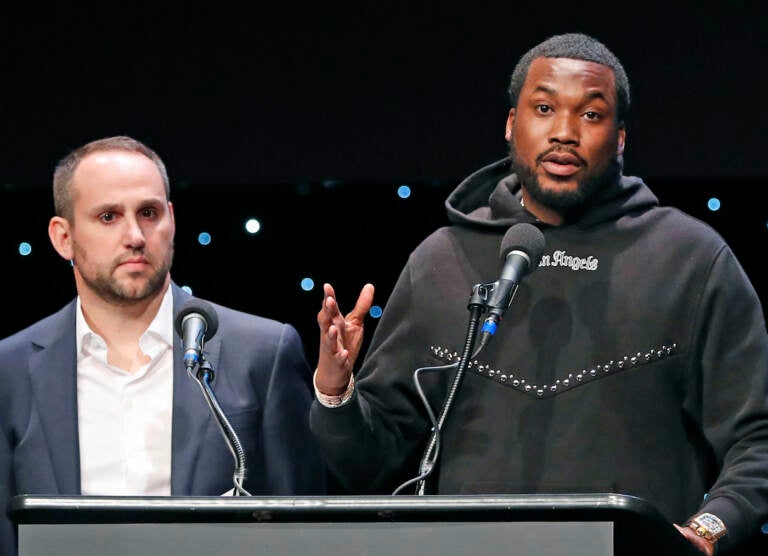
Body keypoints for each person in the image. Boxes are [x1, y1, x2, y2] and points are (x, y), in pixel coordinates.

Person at [310, 33, 768, 555]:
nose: (565, 133)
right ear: (511, 124)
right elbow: (371, 463)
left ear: (620, 138)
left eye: (591, 116)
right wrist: (335, 390)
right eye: (545, 108)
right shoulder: (441, 261)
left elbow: (758, 439)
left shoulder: (691, 259)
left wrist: (708, 532)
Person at [0, 135, 325, 555]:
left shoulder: (263, 352)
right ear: (63, 237)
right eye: (108, 217)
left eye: (149, 213)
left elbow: (301, 531)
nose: (135, 235)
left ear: (171, 219)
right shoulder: (10, 370)